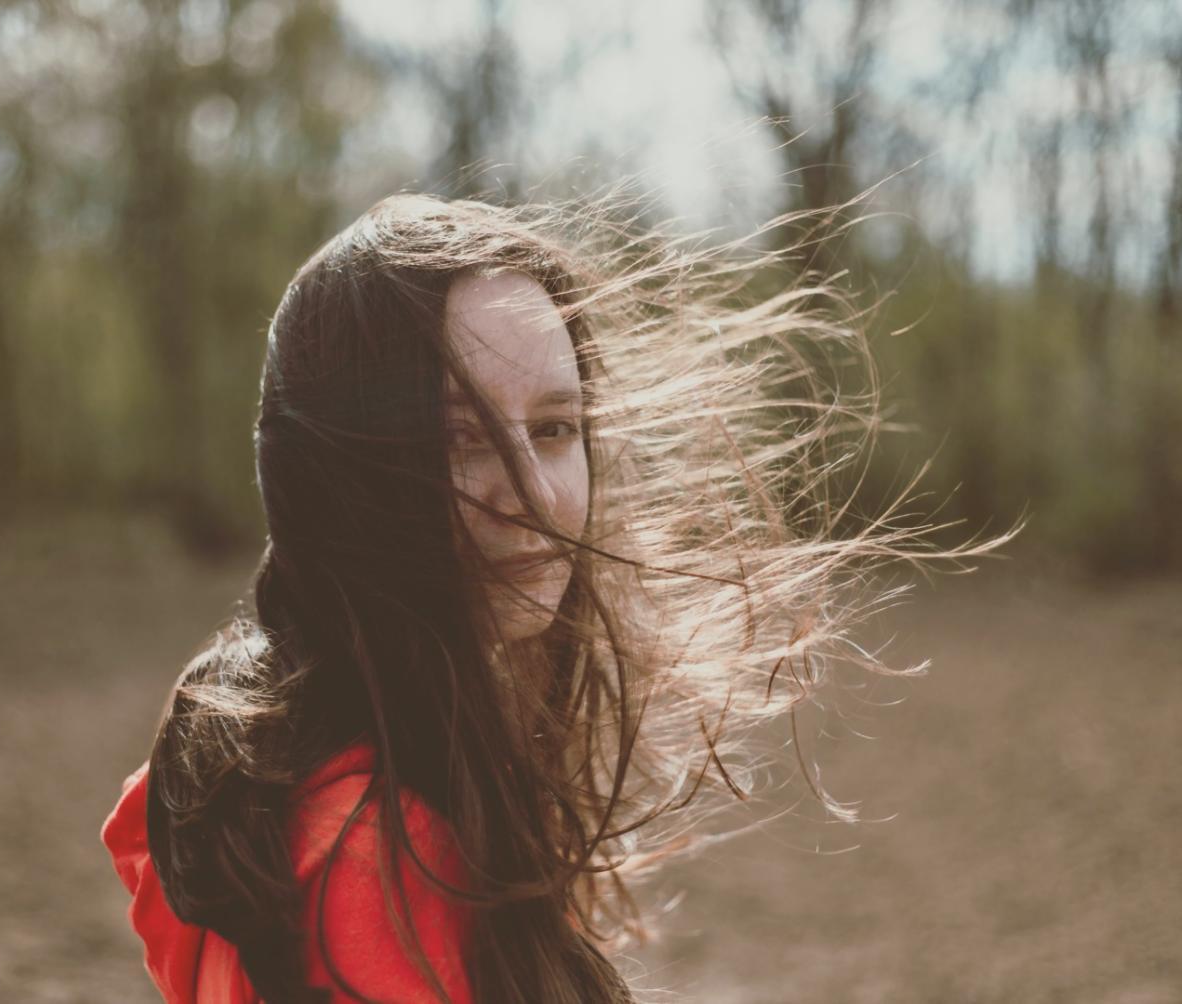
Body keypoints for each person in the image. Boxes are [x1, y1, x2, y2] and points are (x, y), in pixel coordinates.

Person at [101, 191, 1001, 1002]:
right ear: (341, 477)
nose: (534, 496)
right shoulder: (374, 859)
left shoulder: (267, 763)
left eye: (556, 429)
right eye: (460, 440)